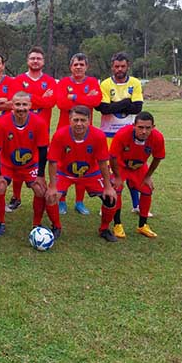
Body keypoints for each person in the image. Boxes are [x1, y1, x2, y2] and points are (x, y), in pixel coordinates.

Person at [44, 105, 119, 243]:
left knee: (111, 198)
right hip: (65, 173)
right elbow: (53, 162)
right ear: (70, 120)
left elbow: (103, 162)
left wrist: (108, 186)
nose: (79, 124)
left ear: (89, 120)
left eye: (83, 120)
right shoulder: (60, 135)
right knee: (51, 197)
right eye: (76, 120)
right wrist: (53, 186)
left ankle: (104, 229)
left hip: (91, 173)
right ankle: (56, 226)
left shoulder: (98, 135)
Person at [0, 91, 49, 236]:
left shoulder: (39, 123)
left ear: (30, 105)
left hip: (30, 165)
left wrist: (40, 175)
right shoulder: (2, 123)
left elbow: (43, 151)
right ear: (12, 105)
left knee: (40, 190)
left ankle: (37, 224)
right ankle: (1, 223)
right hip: (7, 164)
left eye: (24, 104)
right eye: (17, 104)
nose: (21, 108)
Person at [97, 52, 145, 214]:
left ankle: (136, 205)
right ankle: (108, 203)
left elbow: (137, 107)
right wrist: (126, 102)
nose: (119, 69)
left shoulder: (135, 83)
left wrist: (114, 105)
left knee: (132, 168)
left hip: (129, 134)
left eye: (122, 66)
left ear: (128, 66)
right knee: (110, 171)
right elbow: (103, 109)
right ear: (112, 67)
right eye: (116, 66)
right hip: (109, 135)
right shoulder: (105, 84)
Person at [54, 53, 102, 215]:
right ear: (71, 67)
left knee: (83, 165)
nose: (79, 67)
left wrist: (73, 97)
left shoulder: (93, 82)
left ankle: (79, 202)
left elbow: (96, 101)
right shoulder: (63, 82)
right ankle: (61, 201)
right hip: (64, 132)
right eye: (76, 65)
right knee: (63, 166)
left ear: (86, 67)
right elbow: (61, 103)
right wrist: (85, 99)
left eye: (82, 64)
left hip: (85, 133)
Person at [11, 47, 58, 212]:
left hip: (41, 130)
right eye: (32, 58)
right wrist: (40, 98)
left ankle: (41, 193)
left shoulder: (50, 81)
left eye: (38, 58)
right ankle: (16, 197)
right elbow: (17, 100)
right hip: (20, 128)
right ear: (27, 61)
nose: (35, 61)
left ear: (43, 62)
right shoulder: (18, 80)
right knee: (17, 161)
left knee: (39, 161)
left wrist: (30, 97)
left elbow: (50, 103)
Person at [109, 111, 165, 239]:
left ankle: (142, 225)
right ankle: (117, 224)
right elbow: (112, 157)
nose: (144, 131)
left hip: (139, 167)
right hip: (121, 166)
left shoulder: (157, 137)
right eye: (140, 127)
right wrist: (117, 177)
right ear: (134, 125)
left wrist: (148, 176)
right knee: (116, 189)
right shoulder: (123, 134)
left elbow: (158, 157)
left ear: (153, 127)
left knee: (147, 189)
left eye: (147, 128)